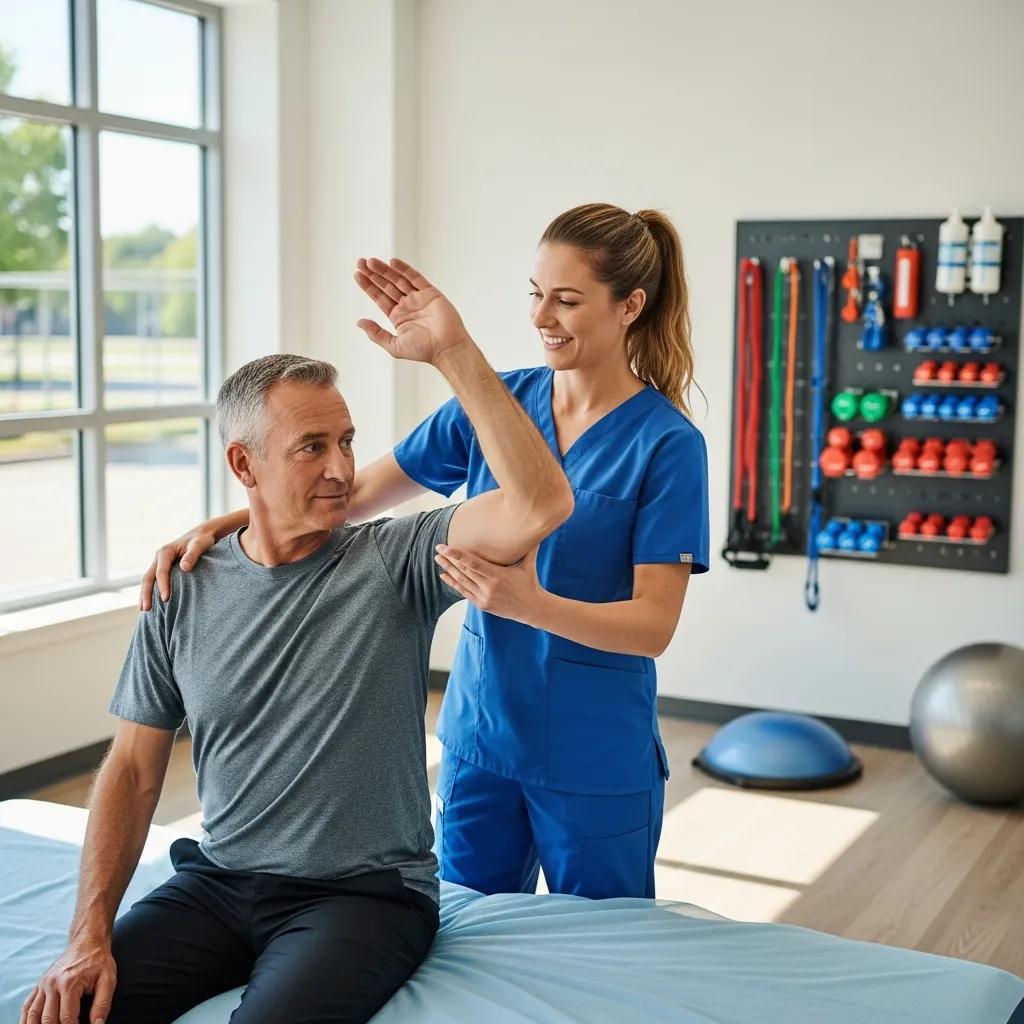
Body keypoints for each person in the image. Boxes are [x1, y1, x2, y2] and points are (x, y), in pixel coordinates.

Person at [19, 258, 573, 1024]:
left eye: (347, 441)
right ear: (243, 463)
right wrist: (88, 936)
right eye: (313, 447)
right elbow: (135, 771)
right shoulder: (183, 587)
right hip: (217, 882)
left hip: (365, 898)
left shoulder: (394, 560)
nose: (343, 468)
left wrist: (453, 352)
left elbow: (540, 504)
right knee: (70, 1012)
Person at [141, 203, 710, 902]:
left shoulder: (668, 444)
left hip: (594, 756)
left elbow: (653, 626)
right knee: (464, 941)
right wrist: (221, 525)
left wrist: (530, 605)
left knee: (599, 954)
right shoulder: (495, 406)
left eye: (567, 300)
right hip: (482, 742)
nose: (541, 318)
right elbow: (344, 498)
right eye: (535, 295)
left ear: (630, 306)